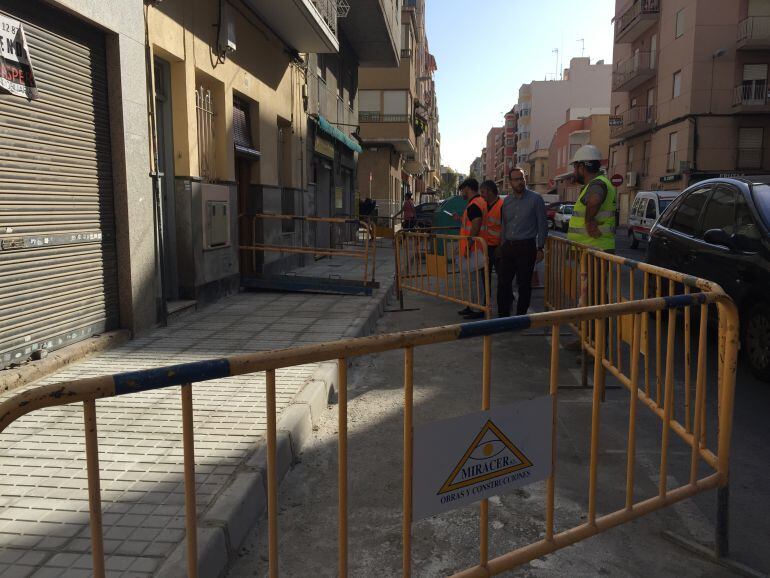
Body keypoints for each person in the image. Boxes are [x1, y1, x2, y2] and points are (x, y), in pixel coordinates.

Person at [497, 167, 547, 317]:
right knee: (503, 283)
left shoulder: (536, 199)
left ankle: (521, 316)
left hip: (527, 247)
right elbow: (504, 225)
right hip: (509, 247)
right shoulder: (506, 202)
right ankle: (503, 315)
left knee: (524, 284)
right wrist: (502, 245)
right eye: (516, 179)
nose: (520, 182)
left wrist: (540, 247)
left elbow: (542, 225)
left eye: (522, 178)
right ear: (510, 182)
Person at [567, 144, 617, 253]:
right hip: (593, 248)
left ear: (581, 167)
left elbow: (595, 200)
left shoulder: (597, 183)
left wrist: (588, 221)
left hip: (592, 250)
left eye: (574, 167)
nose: (574, 172)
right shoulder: (601, 182)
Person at [456, 178, 488, 319]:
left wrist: (468, 245)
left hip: (475, 249)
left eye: (462, 190)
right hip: (477, 248)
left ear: (468, 188)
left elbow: (475, 225)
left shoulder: (474, 205)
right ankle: (471, 306)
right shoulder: (479, 202)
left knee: (475, 282)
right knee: (473, 282)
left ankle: (478, 309)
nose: (462, 193)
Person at [480, 179, 503, 284]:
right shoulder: (485, 205)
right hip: (485, 247)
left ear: (489, 191)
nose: (481, 195)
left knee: (502, 276)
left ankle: (507, 298)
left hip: (497, 248)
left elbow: (506, 229)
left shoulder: (502, 206)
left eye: (483, 192)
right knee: (484, 275)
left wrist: (500, 246)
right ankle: (486, 299)